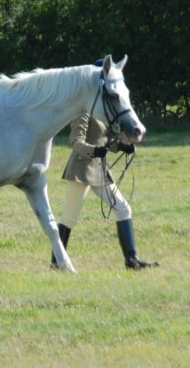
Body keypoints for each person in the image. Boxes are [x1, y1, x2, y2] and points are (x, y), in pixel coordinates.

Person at [51, 112, 156, 270]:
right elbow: (76, 141)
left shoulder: (102, 111)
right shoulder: (83, 111)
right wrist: (94, 151)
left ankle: (132, 260)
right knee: (69, 218)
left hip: (100, 169)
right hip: (81, 169)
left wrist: (121, 146)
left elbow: (106, 141)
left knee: (123, 209)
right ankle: (57, 263)